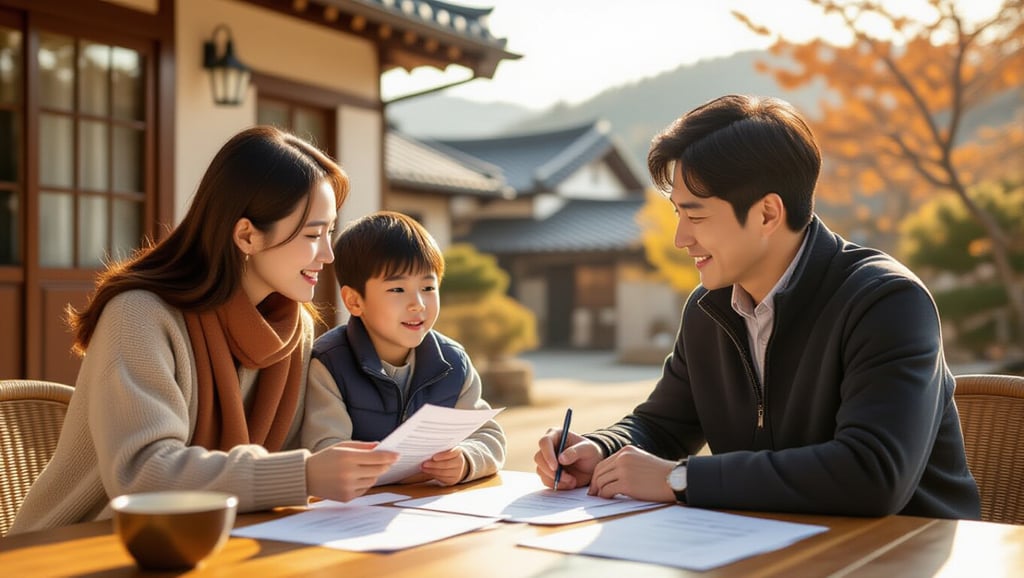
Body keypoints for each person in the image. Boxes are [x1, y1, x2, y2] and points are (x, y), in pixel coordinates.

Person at [534, 94, 980, 520]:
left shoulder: (886, 302)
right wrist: (598, 449)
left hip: (900, 551)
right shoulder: (710, 309)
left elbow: (872, 473)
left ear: (767, 214)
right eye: (678, 214)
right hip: (769, 544)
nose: (681, 238)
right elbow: (664, 426)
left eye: (698, 216)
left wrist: (680, 478)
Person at [10, 126, 398, 535]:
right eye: (313, 234)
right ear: (247, 235)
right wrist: (303, 475)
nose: (328, 253)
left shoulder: (292, 327)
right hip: (72, 546)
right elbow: (144, 472)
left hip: (212, 541)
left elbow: (307, 447)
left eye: (330, 232)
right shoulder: (138, 315)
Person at [304, 210, 506, 488]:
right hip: (358, 514)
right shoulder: (329, 364)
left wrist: (466, 459)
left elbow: (488, 436)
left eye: (427, 287)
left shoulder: (452, 361)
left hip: (429, 510)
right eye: (398, 289)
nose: (418, 304)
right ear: (354, 301)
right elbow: (327, 452)